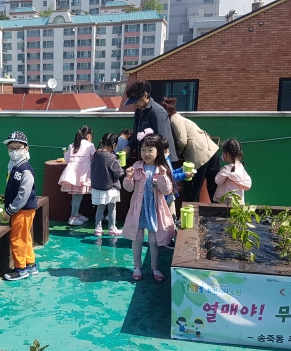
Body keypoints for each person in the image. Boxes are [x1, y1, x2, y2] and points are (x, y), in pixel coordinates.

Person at [122, 134, 175, 281]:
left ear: (158, 151)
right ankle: (137, 267)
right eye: (143, 150)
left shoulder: (162, 169)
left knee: (154, 240)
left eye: (150, 150)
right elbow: (128, 188)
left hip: (154, 210)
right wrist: (128, 177)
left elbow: (167, 191)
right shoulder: (136, 167)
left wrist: (163, 176)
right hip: (139, 209)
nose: (146, 153)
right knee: (137, 238)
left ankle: (155, 268)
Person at [160, 97, 220, 202]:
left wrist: (176, 155)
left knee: (192, 189)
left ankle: (191, 215)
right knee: (213, 187)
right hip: (211, 151)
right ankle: (217, 213)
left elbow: (182, 141)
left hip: (199, 155)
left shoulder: (174, 119)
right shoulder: (180, 118)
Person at [2, 131, 39, 281]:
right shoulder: (14, 167)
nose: (14, 151)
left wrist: (10, 210)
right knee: (26, 237)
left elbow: (23, 195)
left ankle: (20, 269)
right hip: (23, 210)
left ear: (26, 149)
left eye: (18, 147)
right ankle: (30, 264)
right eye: (11, 148)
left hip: (22, 210)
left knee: (17, 239)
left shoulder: (25, 170)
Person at [123, 81, 178, 163]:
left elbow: (162, 140)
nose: (134, 104)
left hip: (161, 160)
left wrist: (157, 163)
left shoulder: (157, 112)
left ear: (145, 95)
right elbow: (136, 133)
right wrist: (129, 146)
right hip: (147, 159)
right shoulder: (139, 111)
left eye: (136, 101)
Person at [90, 132, 126, 237]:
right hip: (110, 188)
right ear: (114, 145)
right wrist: (121, 166)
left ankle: (97, 228)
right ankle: (112, 227)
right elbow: (118, 173)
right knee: (112, 209)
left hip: (98, 187)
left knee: (100, 208)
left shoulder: (96, 155)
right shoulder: (112, 157)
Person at [58, 125, 95, 226]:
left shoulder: (72, 145)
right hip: (82, 174)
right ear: (88, 136)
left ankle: (76, 214)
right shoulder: (90, 145)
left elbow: (67, 159)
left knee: (75, 196)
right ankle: (73, 217)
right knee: (78, 196)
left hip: (72, 173)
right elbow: (93, 158)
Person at [213, 139, 252, 205]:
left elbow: (217, 180)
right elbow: (248, 184)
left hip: (226, 201)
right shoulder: (241, 168)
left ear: (227, 154)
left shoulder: (227, 169)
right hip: (239, 201)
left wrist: (224, 173)